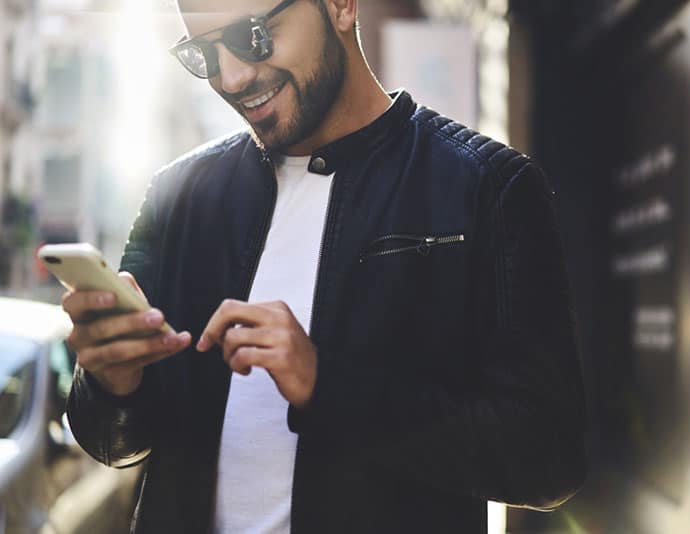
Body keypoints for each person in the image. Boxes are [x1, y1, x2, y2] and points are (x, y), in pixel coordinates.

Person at [62, 0, 587, 532]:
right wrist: (110, 379)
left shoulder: (489, 188)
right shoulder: (178, 195)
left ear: (340, 6)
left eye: (253, 35)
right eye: (205, 52)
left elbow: (546, 460)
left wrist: (327, 384)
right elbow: (112, 441)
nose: (232, 76)